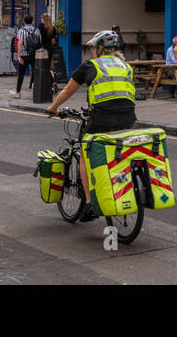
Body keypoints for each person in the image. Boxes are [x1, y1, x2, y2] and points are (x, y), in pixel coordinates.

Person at [46, 30, 138, 220]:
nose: (92, 52)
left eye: (93, 48)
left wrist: (53, 108)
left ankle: (89, 203)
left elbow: (67, 90)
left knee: (84, 157)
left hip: (102, 117)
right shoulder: (125, 66)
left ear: (99, 49)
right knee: (116, 149)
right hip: (128, 117)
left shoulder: (90, 66)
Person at [12, 15, 42, 98]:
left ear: (24, 21)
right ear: (32, 21)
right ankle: (37, 93)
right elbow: (40, 42)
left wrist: (18, 55)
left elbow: (20, 43)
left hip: (24, 55)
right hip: (34, 55)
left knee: (21, 74)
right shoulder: (37, 30)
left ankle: (18, 92)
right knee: (36, 74)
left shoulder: (21, 31)